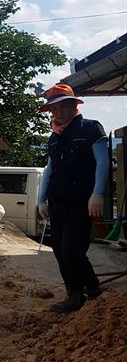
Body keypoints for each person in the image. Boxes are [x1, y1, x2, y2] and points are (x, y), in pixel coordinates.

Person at [37, 83, 109, 312]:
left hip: (81, 202)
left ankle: (84, 293)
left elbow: (103, 162)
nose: (59, 112)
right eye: (54, 109)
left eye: (63, 106)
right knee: (59, 250)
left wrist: (97, 194)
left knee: (72, 250)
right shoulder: (54, 137)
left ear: (72, 104)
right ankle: (82, 292)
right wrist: (41, 199)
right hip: (58, 202)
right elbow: (49, 169)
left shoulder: (90, 129)